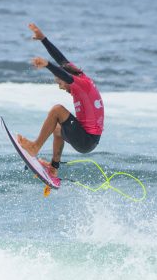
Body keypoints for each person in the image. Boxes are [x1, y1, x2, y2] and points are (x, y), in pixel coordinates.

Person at [17, 23, 104, 176]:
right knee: (57, 129)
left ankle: (35, 147)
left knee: (57, 110)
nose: (60, 87)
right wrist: (43, 39)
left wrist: (47, 65)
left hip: (87, 140)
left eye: (59, 83)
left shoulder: (80, 83)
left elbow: (64, 74)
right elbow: (61, 59)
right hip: (89, 139)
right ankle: (54, 167)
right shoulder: (80, 77)